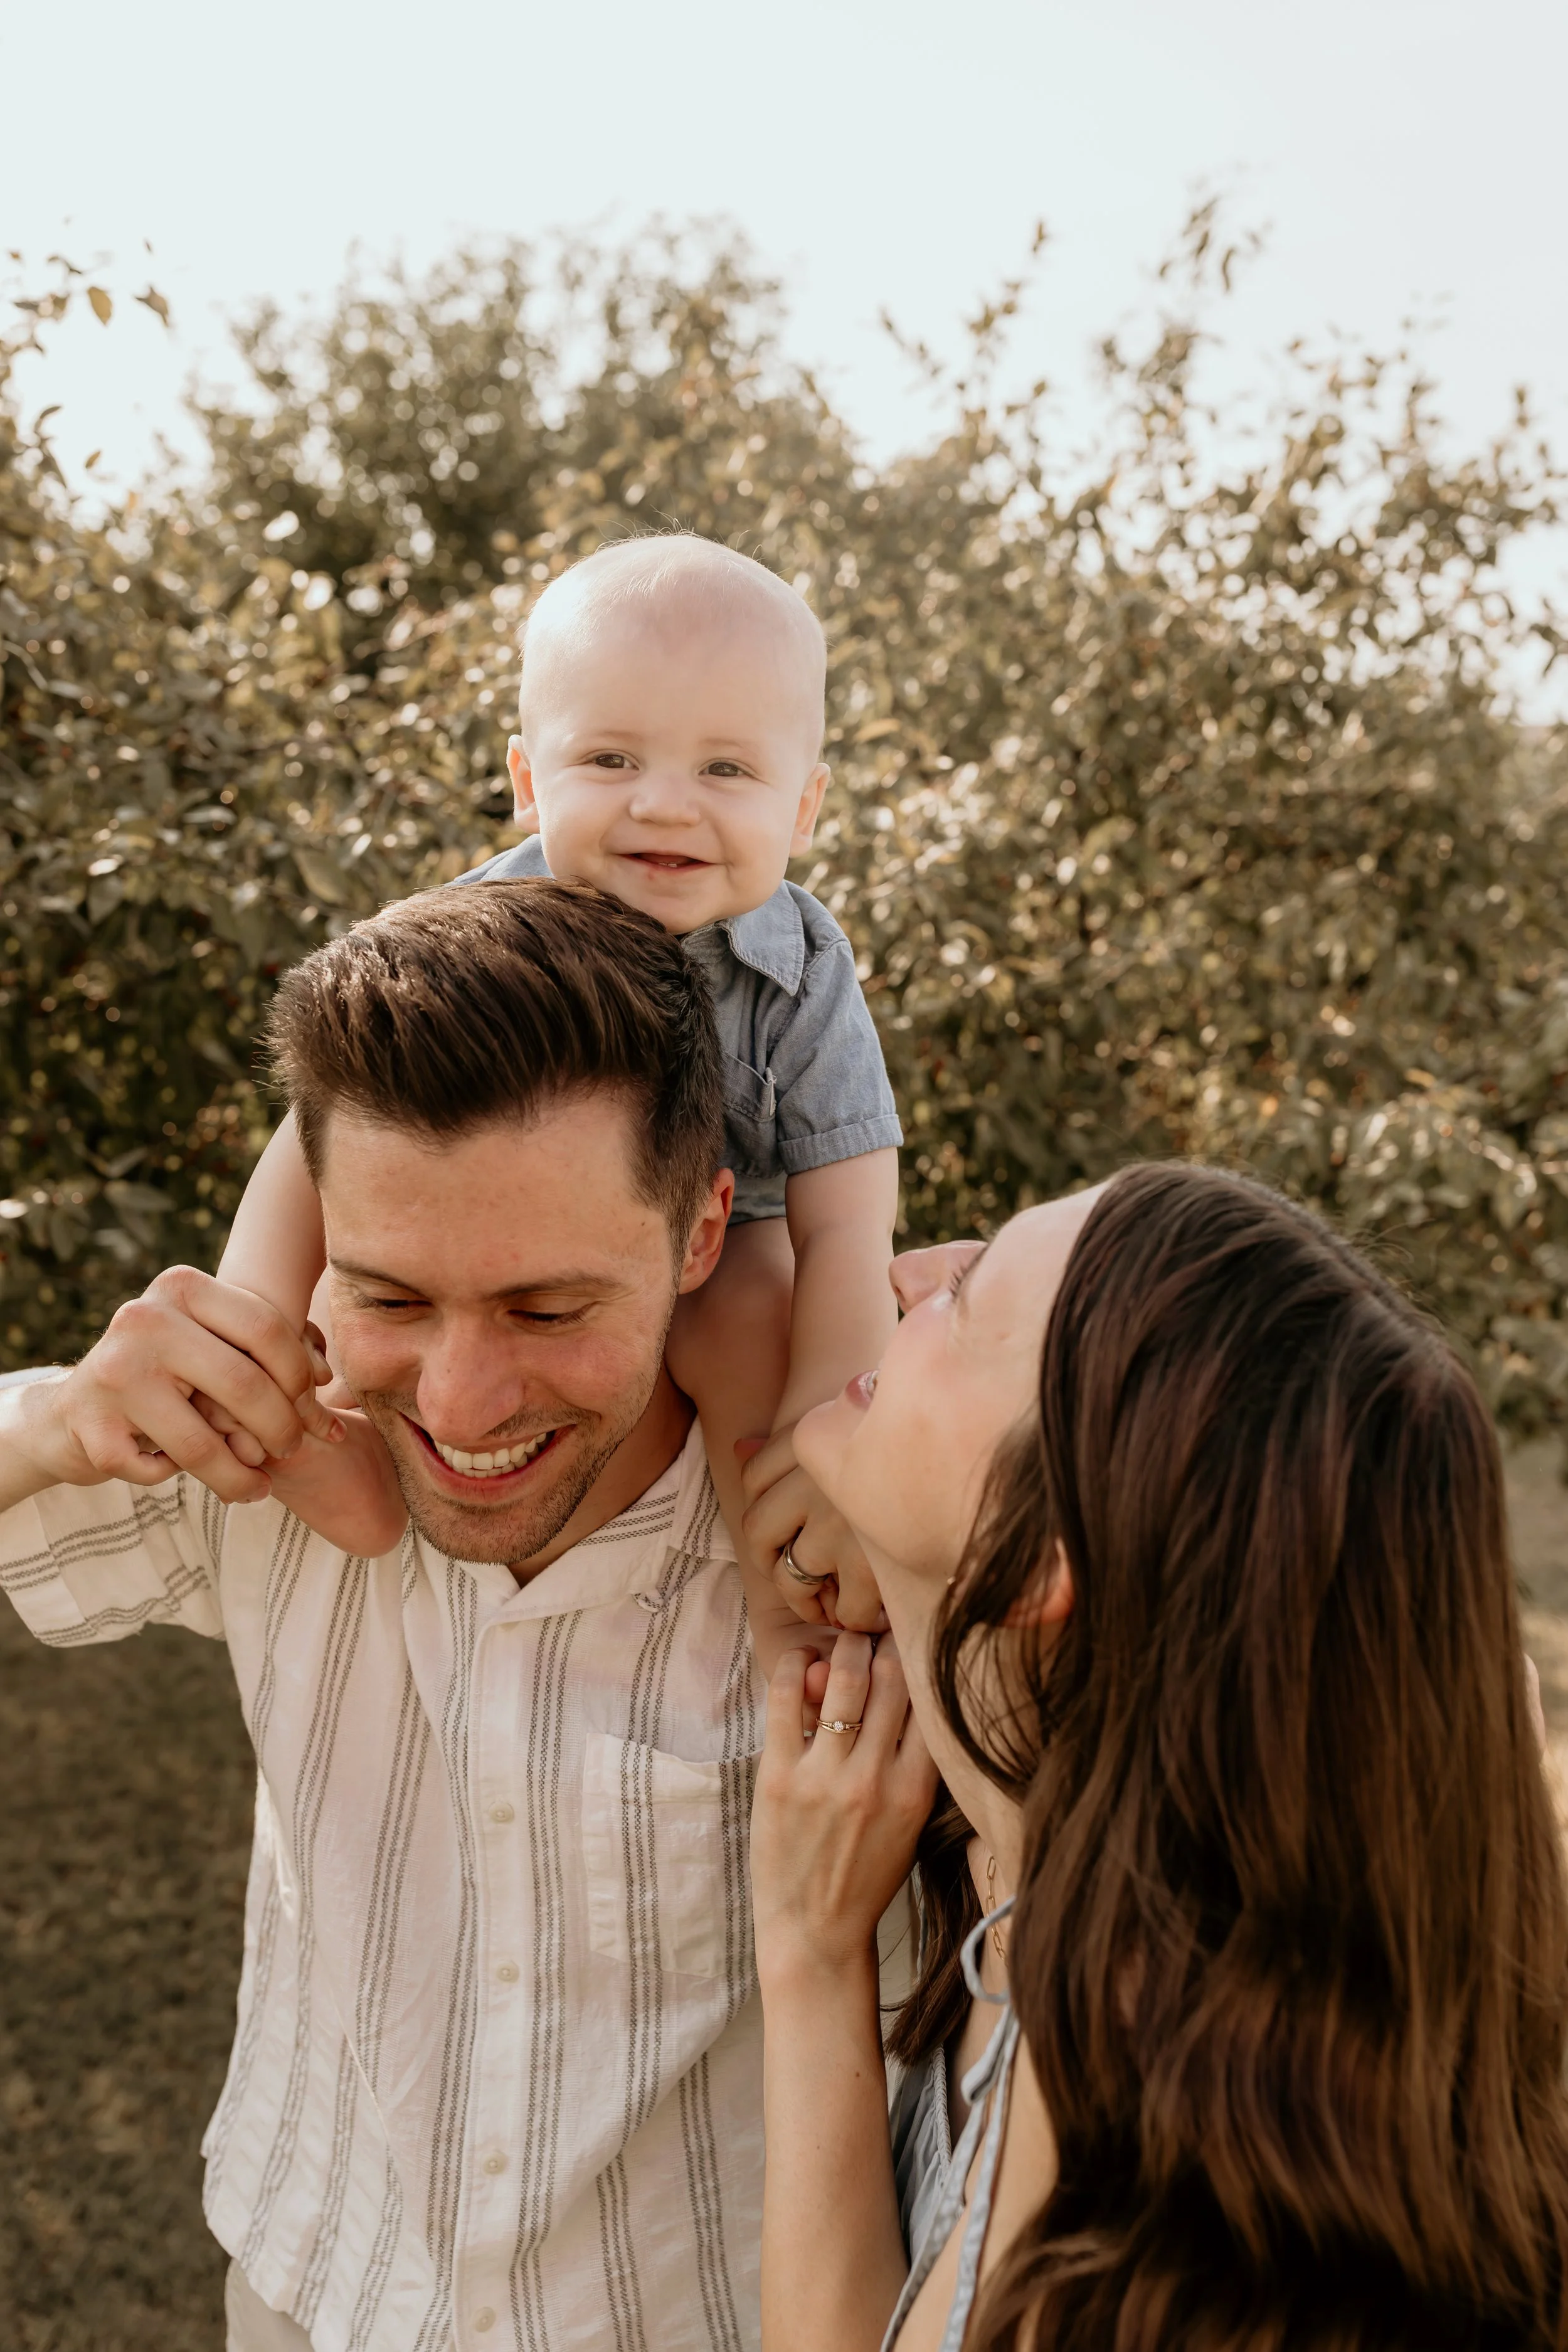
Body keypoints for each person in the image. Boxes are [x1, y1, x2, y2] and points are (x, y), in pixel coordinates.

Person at [0, 879, 775, 2352]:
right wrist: (51, 1428)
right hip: (313, 2289)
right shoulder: (276, 1459)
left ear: (700, 1230)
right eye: (391, 1300)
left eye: (548, 1310)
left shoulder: (854, 1551)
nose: (460, 1403)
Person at [748, 1162, 1568, 2351]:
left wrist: (806, 1953)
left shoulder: (1134, 2103)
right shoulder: (1104, 1884)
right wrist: (816, 1951)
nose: (906, 1273)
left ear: (1040, 1561)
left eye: (966, 1299)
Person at [218, 534, 903, 1643]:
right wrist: (248, 1312)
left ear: (805, 807)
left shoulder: (806, 966)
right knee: (353, 1287)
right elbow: (322, 1124)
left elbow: (850, 1210)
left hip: (739, 1229)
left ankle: (785, 1599)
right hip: (504, 1211)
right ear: (530, 783)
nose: (667, 807)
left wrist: (833, 1409)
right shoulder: (475, 925)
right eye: (613, 762)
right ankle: (309, 1439)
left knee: (754, 1344)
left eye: (726, 770)